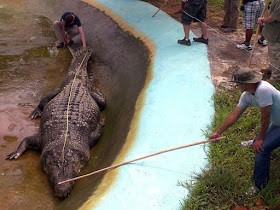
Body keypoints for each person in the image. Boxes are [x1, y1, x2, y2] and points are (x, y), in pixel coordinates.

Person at [210, 67, 280, 190]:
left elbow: (265, 118)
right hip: (277, 122)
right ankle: (254, 141)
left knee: (261, 149)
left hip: (276, 122)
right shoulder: (246, 95)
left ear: (245, 84)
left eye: (238, 83)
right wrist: (218, 132)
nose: (237, 86)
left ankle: (259, 185)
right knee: (260, 141)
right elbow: (234, 115)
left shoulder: (263, 90)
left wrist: (260, 139)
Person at [257, 0, 280, 81]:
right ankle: (272, 69)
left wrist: (262, 20)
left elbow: (273, 18)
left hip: (276, 34)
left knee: (276, 55)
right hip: (272, 33)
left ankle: (276, 77)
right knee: (272, 54)